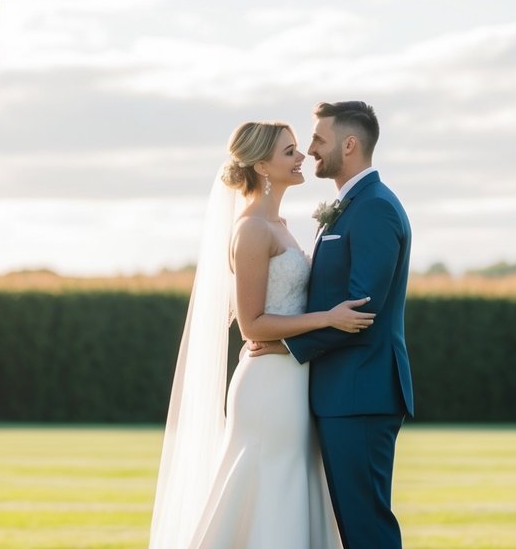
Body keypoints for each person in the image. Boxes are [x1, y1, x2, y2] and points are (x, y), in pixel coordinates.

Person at [149, 121, 371, 549]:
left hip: (293, 379)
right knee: (272, 487)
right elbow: (251, 323)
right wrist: (327, 318)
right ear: (263, 166)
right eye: (289, 151)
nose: (301, 156)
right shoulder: (251, 229)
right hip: (268, 385)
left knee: (292, 483)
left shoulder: (281, 224)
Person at [249, 101, 414, 549]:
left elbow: (361, 310)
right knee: (352, 526)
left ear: (350, 144)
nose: (311, 150)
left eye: (319, 140)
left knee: (366, 527)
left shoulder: (375, 208)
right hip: (342, 392)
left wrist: (288, 345)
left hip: (360, 392)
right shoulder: (351, 206)